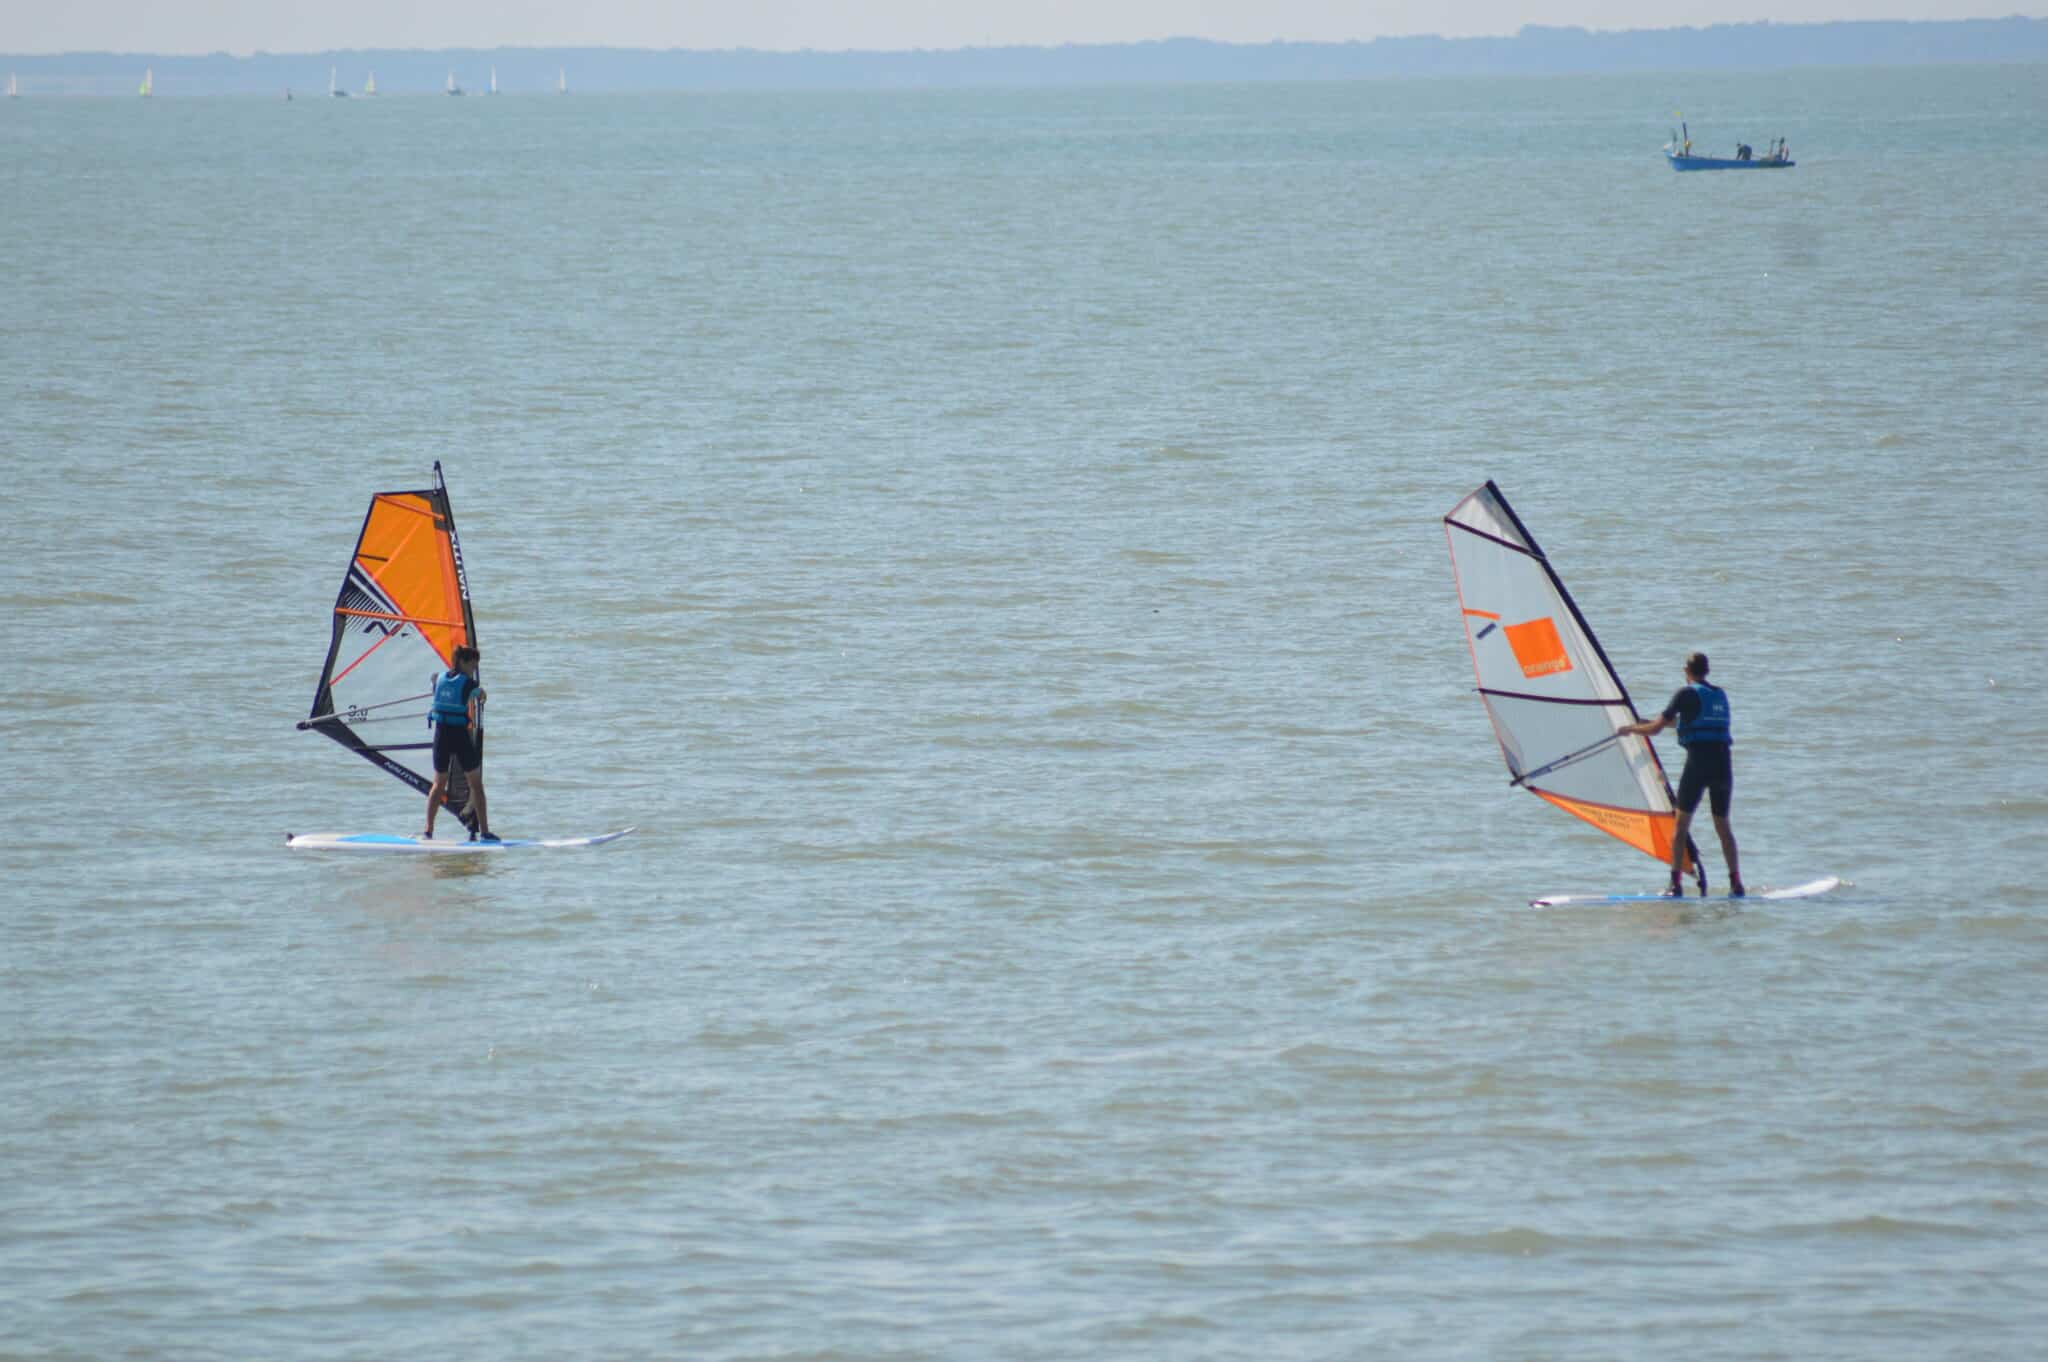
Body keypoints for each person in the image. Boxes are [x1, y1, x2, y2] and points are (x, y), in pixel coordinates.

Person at [1619, 651, 1744, 898]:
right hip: (1723, 766)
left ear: (1686, 670)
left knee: (1681, 825)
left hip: (1698, 765)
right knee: (1723, 827)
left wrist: (1631, 728)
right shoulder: (1719, 695)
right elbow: (1689, 721)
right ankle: (1736, 883)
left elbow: (1654, 730)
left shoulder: (1685, 693)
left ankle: (1675, 886)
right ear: (1706, 670)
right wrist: (1655, 722)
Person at [423, 644, 497, 842]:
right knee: (476, 785)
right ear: (463, 662)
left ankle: (428, 832)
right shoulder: (469, 685)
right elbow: (480, 696)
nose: (473, 671)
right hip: (460, 738)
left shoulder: (436, 679)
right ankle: (485, 831)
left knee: (438, 784)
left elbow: (434, 689)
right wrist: (482, 694)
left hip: (441, 737)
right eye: (473, 666)